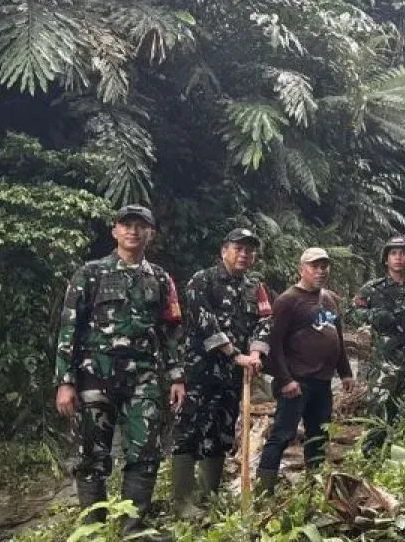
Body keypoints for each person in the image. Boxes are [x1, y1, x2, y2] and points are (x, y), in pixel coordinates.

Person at [54, 205, 183, 541]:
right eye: (127, 225)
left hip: (143, 378)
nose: (133, 231)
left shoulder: (160, 278)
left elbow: (169, 330)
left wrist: (176, 376)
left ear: (150, 234)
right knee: (92, 455)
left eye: (141, 226)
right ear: (115, 231)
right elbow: (69, 328)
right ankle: (92, 529)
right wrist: (65, 382)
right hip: (95, 376)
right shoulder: (90, 273)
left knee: (146, 452)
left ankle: (133, 529)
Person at [172, 228, 272, 516]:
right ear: (224, 251)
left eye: (249, 250)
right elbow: (204, 322)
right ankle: (182, 501)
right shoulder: (202, 281)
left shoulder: (255, 286)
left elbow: (266, 320)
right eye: (238, 248)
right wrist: (235, 354)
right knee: (189, 429)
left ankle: (209, 498)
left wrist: (255, 352)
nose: (244, 254)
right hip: (201, 370)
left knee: (221, 432)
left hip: (234, 374)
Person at [257, 248, 356, 493]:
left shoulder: (330, 299)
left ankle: (313, 488)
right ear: (301, 269)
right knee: (282, 435)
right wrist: (285, 379)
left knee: (318, 436)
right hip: (296, 381)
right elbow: (274, 343)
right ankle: (264, 491)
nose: (320, 271)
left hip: (323, 381)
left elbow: (337, 337)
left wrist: (345, 372)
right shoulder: (288, 301)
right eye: (315, 266)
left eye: (324, 266)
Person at [349, 235, 405, 454]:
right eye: (393, 253)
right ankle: (371, 458)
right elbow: (351, 313)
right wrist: (375, 316)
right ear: (386, 259)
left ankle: (399, 459)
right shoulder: (372, 288)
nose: (398, 258)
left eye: (403, 254)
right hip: (383, 364)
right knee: (377, 414)